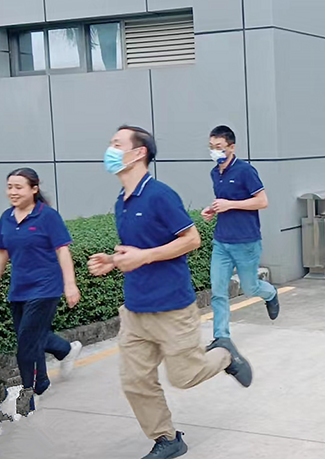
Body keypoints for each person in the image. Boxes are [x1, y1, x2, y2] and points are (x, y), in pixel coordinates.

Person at [87, 126, 253, 459]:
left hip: (171, 308)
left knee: (185, 376)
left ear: (139, 153)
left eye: (117, 144)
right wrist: (114, 260)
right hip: (135, 310)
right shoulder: (122, 201)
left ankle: (224, 354)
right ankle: (167, 438)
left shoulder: (159, 195)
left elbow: (191, 239)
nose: (110, 150)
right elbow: (137, 250)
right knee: (135, 381)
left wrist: (144, 256)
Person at [0, 168, 82, 417]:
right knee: (30, 337)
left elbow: (62, 250)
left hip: (46, 287)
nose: (12, 192)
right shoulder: (6, 218)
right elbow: (2, 252)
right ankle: (57, 361)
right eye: (9, 187)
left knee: (26, 342)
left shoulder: (47, 216)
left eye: (19, 187)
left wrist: (70, 284)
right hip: (19, 289)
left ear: (34, 189)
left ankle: (29, 396)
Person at [201, 125, 279, 345]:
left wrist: (230, 205)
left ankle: (270, 294)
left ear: (232, 147)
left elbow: (262, 201)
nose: (214, 151)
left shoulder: (245, 171)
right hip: (221, 241)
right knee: (218, 291)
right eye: (211, 147)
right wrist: (213, 209)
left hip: (246, 241)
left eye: (219, 147)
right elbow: (224, 202)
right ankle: (221, 337)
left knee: (250, 287)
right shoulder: (215, 173)